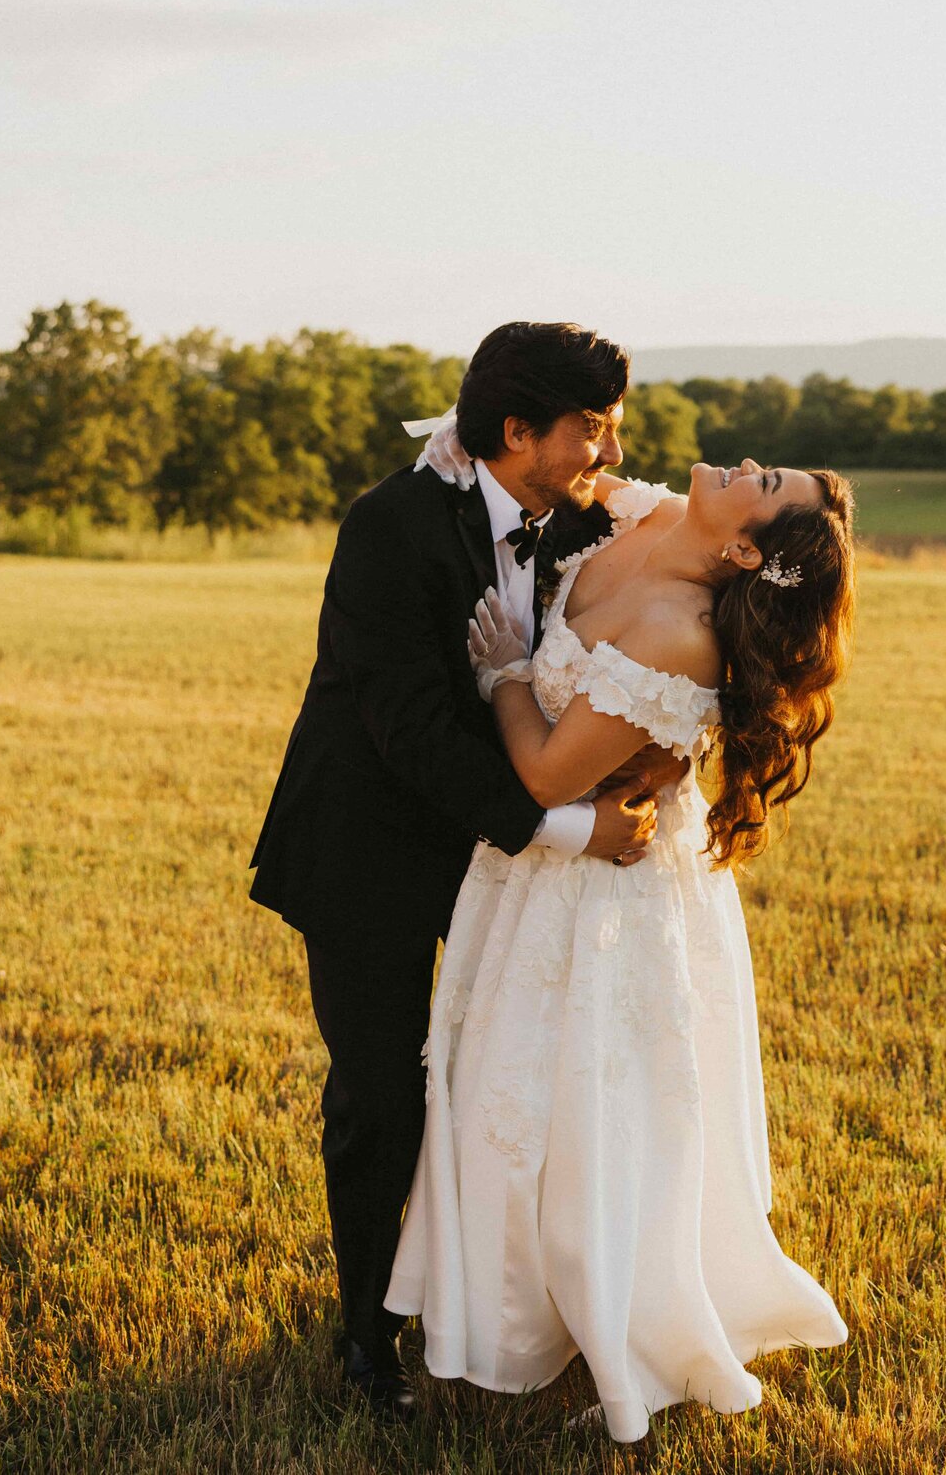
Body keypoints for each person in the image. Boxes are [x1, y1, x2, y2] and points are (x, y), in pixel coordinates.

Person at [386, 450, 857, 1441]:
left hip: (607, 888)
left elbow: (554, 774)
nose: (751, 462)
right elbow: (565, 455)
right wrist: (462, 441)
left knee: (593, 1104)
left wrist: (508, 670)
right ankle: (509, 1305)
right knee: (505, 1087)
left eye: (766, 485)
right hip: (534, 879)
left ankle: (613, 1318)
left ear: (740, 546)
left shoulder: (676, 636)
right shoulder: (641, 513)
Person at [248, 322, 666, 1418]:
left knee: (499, 1087)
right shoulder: (388, 525)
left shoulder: (580, 516)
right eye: (591, 425)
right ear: (516, 431)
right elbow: (413, 729)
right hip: (368, 849)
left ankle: (489, 1302)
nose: (610, 445)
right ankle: (362, 1332)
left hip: (502, 862)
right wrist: (572, 831)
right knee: (383, 1093)